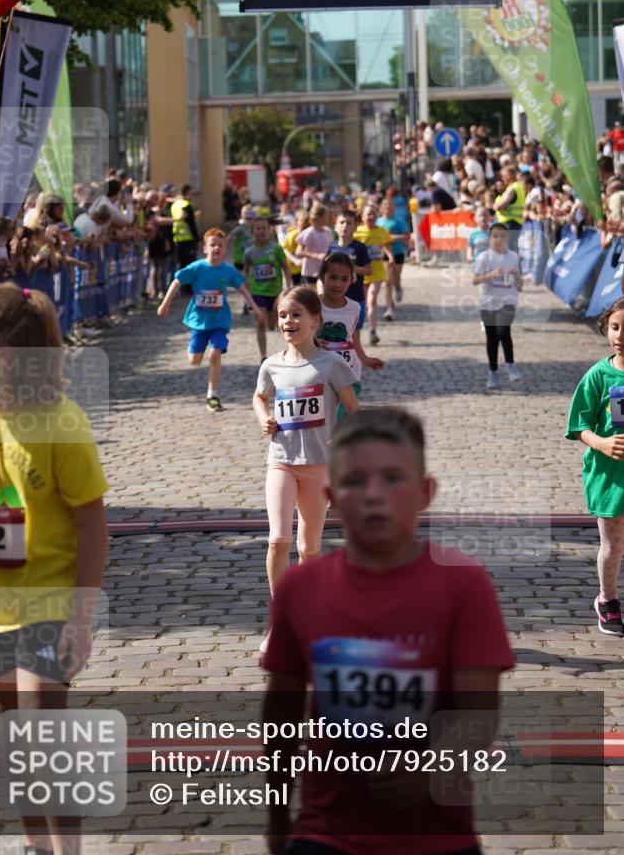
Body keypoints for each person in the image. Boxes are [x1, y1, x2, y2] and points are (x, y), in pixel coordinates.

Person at [262, 406, 515, 855]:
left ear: (425, 492)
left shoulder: (463, 583)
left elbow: (480, 713)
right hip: (326, 833)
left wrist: (433, 769)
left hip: (438, 835)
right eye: (356, 481)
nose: (374, 495)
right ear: (331, 496)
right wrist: (277, 818)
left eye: (393, 479)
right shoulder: (300, 589)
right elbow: (280, 713)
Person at [0, 283, 108, 855]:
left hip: (47, 599)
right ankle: (34, 847)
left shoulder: (59, 421)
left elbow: (92, 524)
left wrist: (82, 614)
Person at [252, 287, 359, 608]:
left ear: (316, 321)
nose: (288, 321)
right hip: (281, 462)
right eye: (282, 315)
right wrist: (264, 418)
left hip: (318, 468)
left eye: (296, 315)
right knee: (278, 539)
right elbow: (259, 397)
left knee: (309, 547)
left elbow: (354, 409)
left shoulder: (330, 365)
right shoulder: (271, 366)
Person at [566, 298, 624, 636]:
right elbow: (578, 425)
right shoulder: (598, 376)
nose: (620, 336)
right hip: (608, 476)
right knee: (613, 545)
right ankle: (608, 600)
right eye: (615, 327)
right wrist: (601, 443)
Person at [157, 228, 263, 412]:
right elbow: (177, 281)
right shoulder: (197, 268)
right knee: (195, 361)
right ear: (205, 248)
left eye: (220, 245)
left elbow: (242, 288)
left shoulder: (227, 271)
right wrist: (165, 304)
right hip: (199, 321)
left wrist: (254, 308)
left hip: (219, 321)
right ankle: (196, 350)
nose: (216, 248)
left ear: (224, 248)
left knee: (215, 354)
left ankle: (212, 395)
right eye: (212, 245)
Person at [317, 252, 384, 417]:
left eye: (344, 279)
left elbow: (352, 338)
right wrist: (312, 342)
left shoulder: (354, 307)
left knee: (344, 416)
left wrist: (365, 359)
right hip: (321, 372)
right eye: (332, 277)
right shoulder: (312, 305)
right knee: (325, 418)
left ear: (351, 280)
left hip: (349, 370)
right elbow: (300, 337)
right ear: (321, 276)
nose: (338, 284)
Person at [472, 224, 523, 389]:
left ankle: (510, 365)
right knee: (491, 339)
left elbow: (520, 283)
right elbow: (475, 280)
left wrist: (517, 278)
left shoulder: (514, 256)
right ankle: (493, 372)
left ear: (507, 238)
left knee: (503, 331)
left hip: (508, 301)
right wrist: (492, 275)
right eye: (495, 236)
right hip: (488, 302)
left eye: (502, 236)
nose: (498, 240)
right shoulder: (484, 257)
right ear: (489, 239)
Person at [244, 216, 293, 361]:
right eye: (258, 228)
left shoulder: (276, 249)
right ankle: (263, 356)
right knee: (260, 322)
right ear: (253, 231)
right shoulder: (249, 252)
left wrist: (289, 288)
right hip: (257, 292)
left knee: (273, 325)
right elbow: (246, 272)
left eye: (264, 228)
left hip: (275, 292)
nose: (261, 231)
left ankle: (290, 350)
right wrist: (247, 294)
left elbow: (286, 268)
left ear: (269, 230)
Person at [354, 204, 394, 346]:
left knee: (372, 299)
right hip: (362, 271)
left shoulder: (382, 231)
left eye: (373, 214)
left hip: (376, 270)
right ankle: (361, 326)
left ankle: (372, 331)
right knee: (364, 302)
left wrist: (391, 257)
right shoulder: (357, 232)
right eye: (368, 214)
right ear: (362, 217)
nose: (371, 216)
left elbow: (385, 245)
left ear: (377, 216)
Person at [327, 209, 372, 331]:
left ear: (355, 227)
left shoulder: (359, 247)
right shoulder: (331, 247)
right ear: (335, 226)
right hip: (334, 299)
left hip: (355, 297)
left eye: (349, 223)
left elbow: (368, 270)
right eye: (341, 222)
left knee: (353, 337)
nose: (345, 226)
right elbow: (324, 273)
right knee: (336, 334)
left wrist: (351, 268)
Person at [377, 196, 410, 319]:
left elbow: (407, 236)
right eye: (385, 206)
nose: (388, 208)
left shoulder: (398, 221)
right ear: (381, 208)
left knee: (396, 278)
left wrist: (393, 238)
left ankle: (398, 287)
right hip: (383, 254)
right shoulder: (378, 222)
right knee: (387, 280)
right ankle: (389, 307)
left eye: (390, 206)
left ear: (394, 209)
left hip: (398, 253)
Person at [295, 204, 334, 286]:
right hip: (310, 273)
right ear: (317, 218)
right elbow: (298, 252)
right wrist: (316, 256)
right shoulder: (308, 233)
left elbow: (330, 248)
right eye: (326, 216)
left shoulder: (328, 231)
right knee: (311, 297)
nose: (328, 218)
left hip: (324, 271)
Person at [493, 165, 526, 253]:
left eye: (503, 175)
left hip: (510, 223)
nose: (502, 178)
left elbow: (500, 206)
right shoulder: (518, 187)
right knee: (511, 249)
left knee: (509, 250)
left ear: (510, 175)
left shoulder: (512, 188)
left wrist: (496, 205)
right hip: (514, 223)